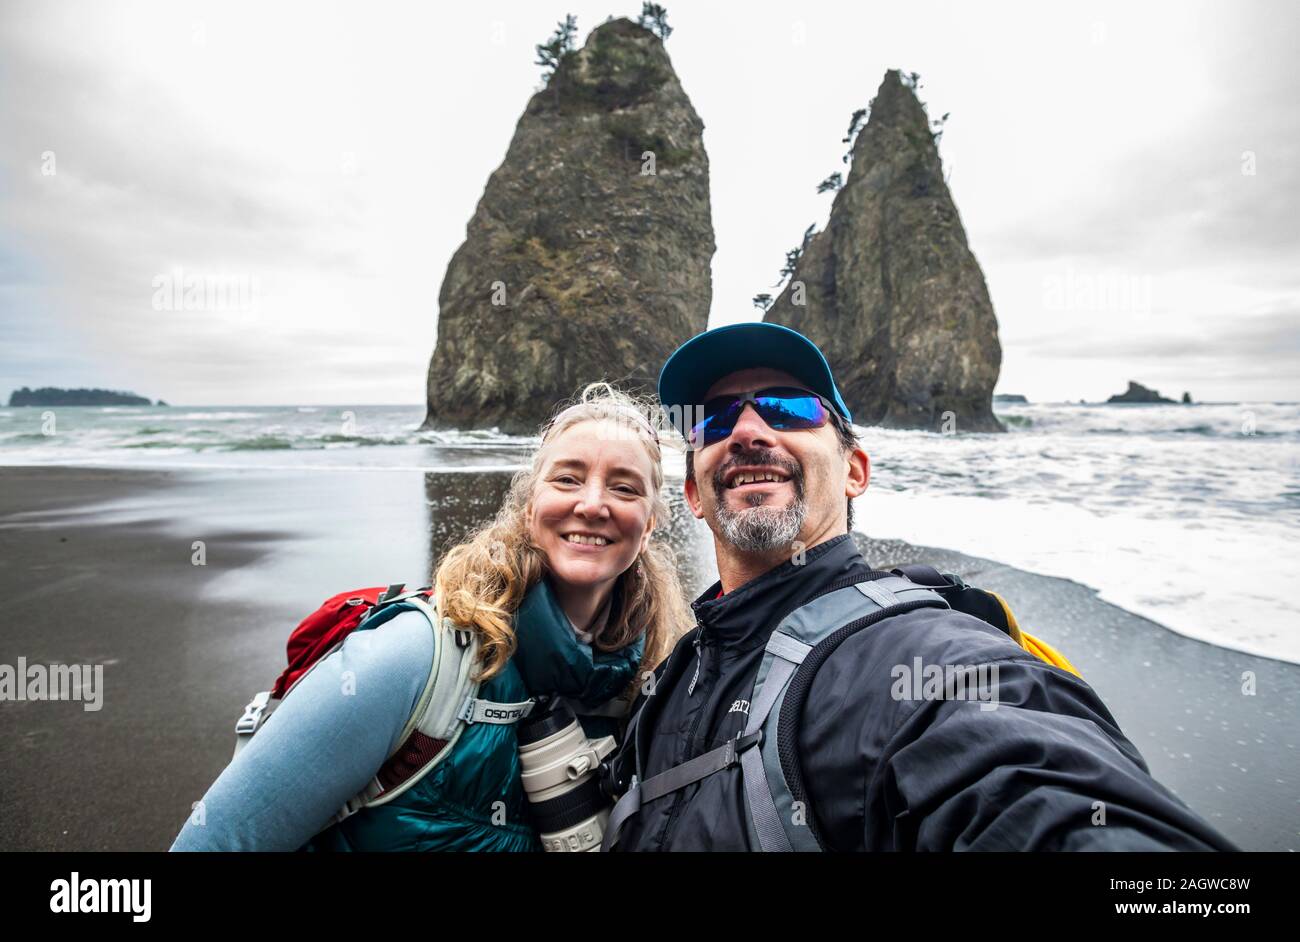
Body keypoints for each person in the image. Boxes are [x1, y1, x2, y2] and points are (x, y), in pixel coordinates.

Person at [602, 322, 1238, 851]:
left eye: (787, 408)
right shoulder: (675, 671)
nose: (746, 431)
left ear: (854, 471)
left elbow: (1029, 783)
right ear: (693, 494)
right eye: (713, 422)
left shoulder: (921, 657)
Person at [170, 382, 690, 851]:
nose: (593, 504)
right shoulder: (416, 657)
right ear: (530, 507)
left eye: (624, 487)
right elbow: (219, 840)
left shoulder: (653, 678)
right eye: (567, 479)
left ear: (647, 527)